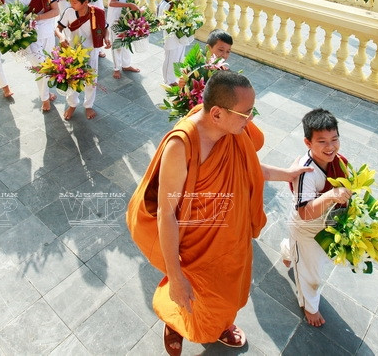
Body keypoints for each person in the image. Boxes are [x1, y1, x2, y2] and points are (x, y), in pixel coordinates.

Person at [127, 71, 311, 355]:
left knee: (227, 295)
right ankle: (175, 322)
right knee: (189, 293)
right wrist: (175, 277)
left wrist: (287, 173)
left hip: (233, 237)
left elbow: (250, 168)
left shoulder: (232, 131)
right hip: (197, 243)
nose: (250, 120)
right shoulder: (181, 146)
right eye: (246, 114)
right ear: (216, 114)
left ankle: (222, 324)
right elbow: (167, 214)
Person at [280, 108, 352, 327]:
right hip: (306, 228)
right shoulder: (306, 173)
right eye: (322, 141)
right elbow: (304, 212)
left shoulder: (338, 160)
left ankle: (287, 249)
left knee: (308, 257)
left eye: (334, 139)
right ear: (308, 142)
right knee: (312, 275)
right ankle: (309, 306)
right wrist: (331, 196)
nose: (330, 147)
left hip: (324, 222)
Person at [55, 0, 111, 120]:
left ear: (85, 2)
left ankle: (88, 105)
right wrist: (62, 37)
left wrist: (107, 38)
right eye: (70, 1)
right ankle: (72, 104)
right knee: (72, 79)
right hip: (72, 52)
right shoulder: (69, 12)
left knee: (90, 80)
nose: (71, 4)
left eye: (74, 2)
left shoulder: (97, 13)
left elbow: (105, 28)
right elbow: (58, 28)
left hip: (91, 52)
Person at [15, 0, 60, 112]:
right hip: (32, 37)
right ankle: (45, 98)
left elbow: (55, 11)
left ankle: (46, 92)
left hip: (48, 34)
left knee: (48, 64)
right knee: (40, 67)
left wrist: (38, 18)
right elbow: (20, 21)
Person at [107, 0, 141, 79]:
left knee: (126, 41)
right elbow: (112, 2)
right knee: (117, 43)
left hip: (123, 16)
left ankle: (126, 64)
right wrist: (129, 5)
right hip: (115, 18)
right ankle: (116, 68)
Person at [157, 0, 188, 85]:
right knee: (170, 58)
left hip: (180, 35)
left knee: (179, 56)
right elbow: (161, 22)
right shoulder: (164, 6)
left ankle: (176, 76)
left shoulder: (178, 1)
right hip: (170, 38)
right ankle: (168, 80)